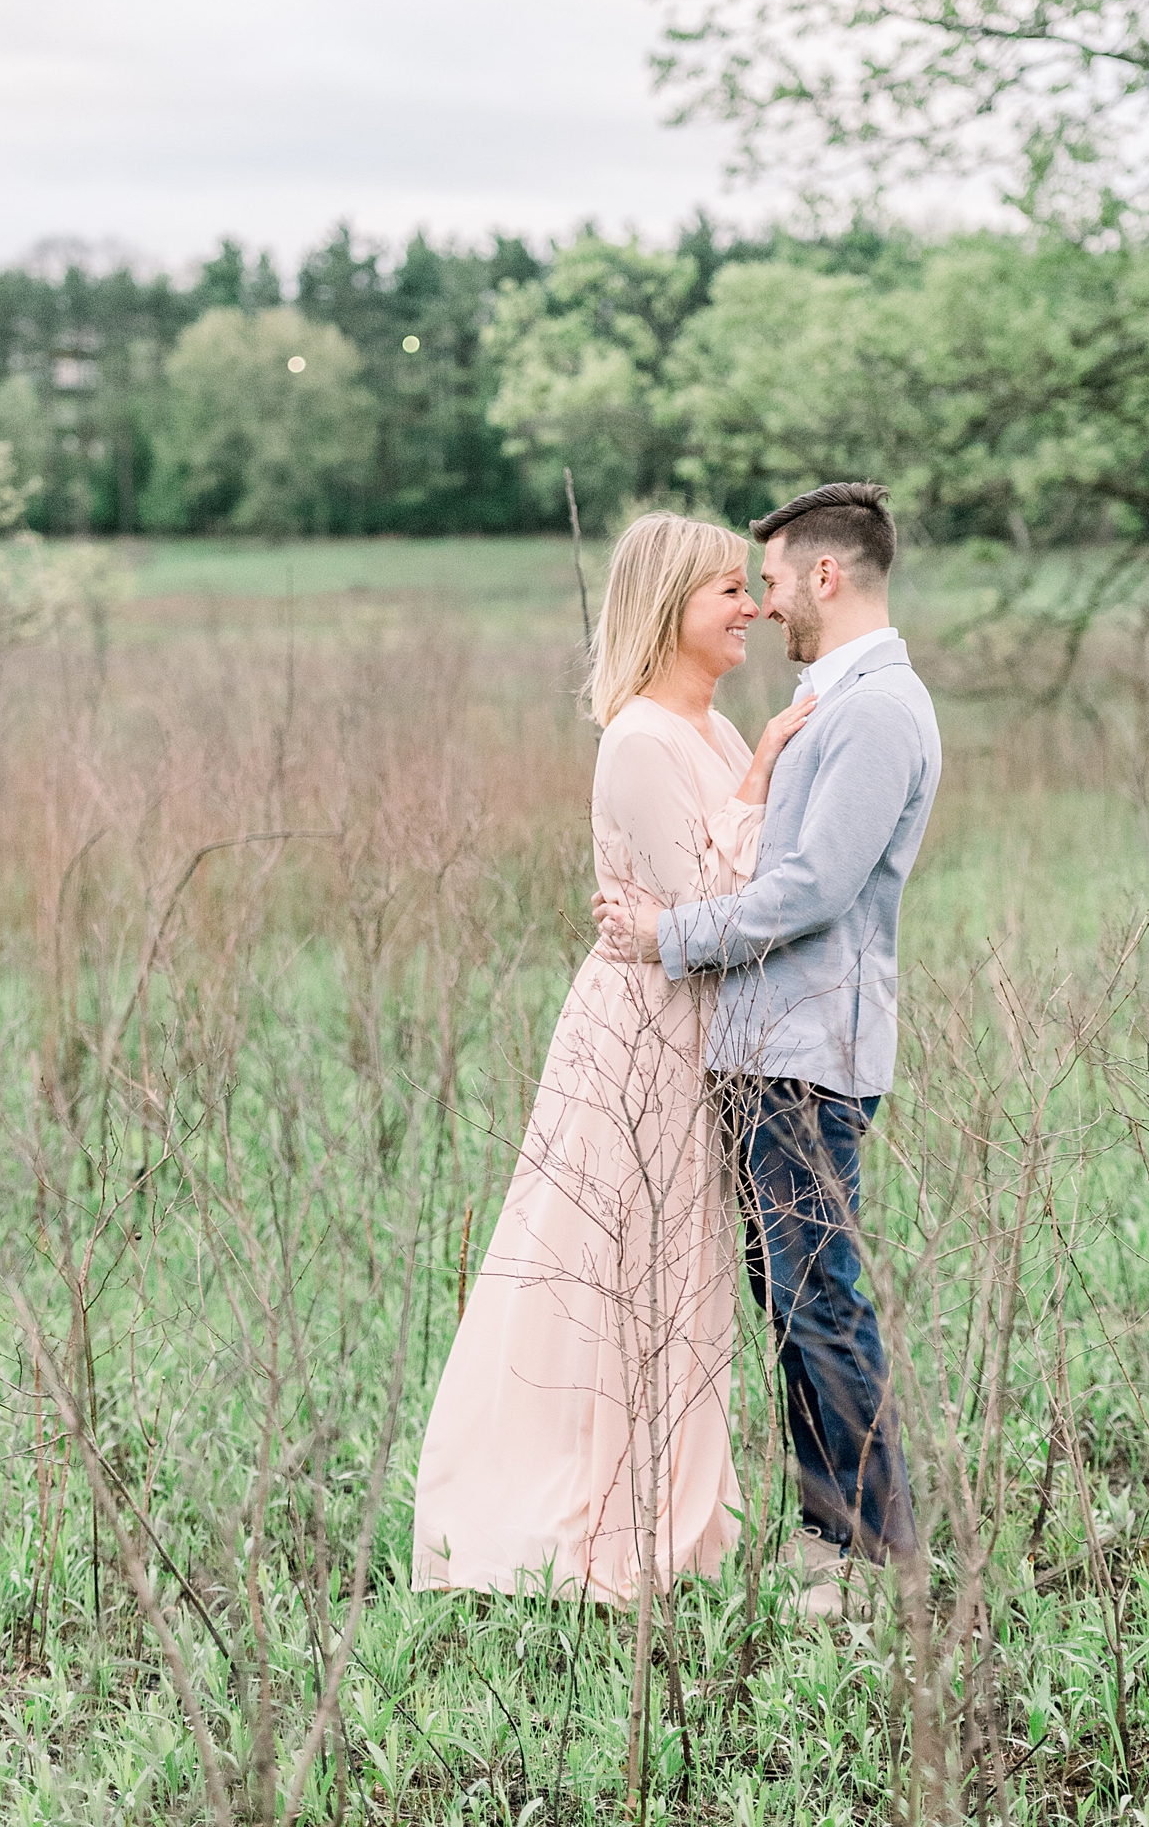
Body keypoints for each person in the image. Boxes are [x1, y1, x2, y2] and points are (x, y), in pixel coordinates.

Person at [412, 513, 815, 1606]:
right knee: (615, 1269)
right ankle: (585, 1521)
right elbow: (710, 902)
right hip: (641, 1034)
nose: (753, 608)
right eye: (726, 593)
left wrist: (757, 765)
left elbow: (762, 888)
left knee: (685, 1276)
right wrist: (772, 762)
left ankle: (681, 1524)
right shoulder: (641, 738)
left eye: (749, 588)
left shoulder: (719, 734)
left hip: (702, 1026)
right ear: (666, 611)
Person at [596, 482, 940, 1616]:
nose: (765, 601)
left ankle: (860, 1547)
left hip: (808, 1047)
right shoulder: (822, 702)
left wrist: (668, 935)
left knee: (817, 1294)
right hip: (765, 1045)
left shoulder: (875, 710)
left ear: (827, 577)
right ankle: (826, 1530)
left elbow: (812, 888)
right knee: (790, 1292)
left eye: (775, 577)